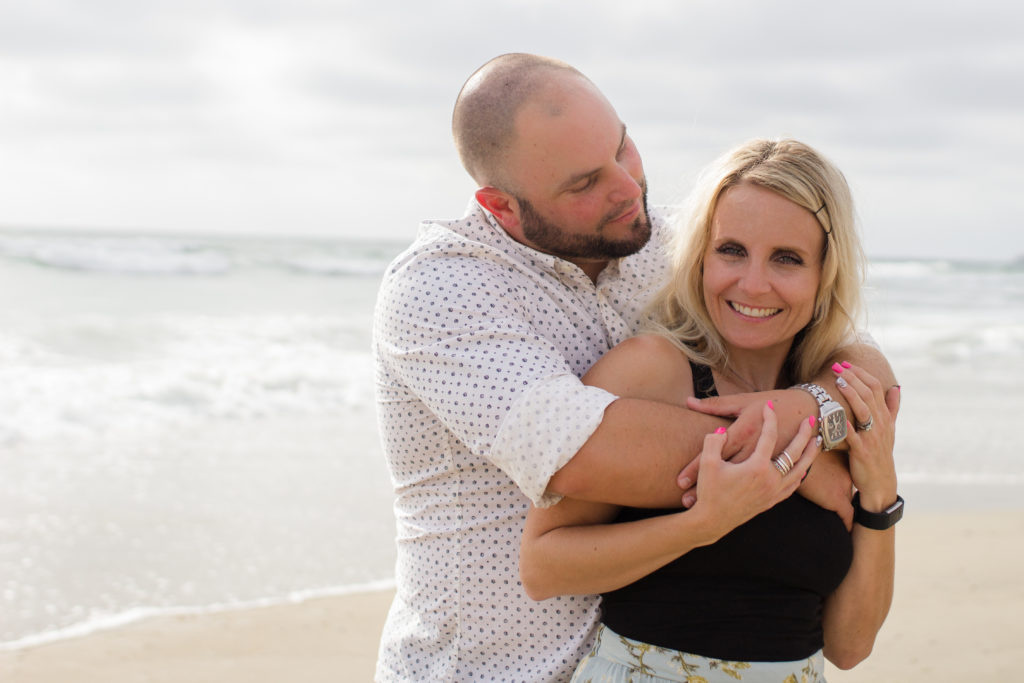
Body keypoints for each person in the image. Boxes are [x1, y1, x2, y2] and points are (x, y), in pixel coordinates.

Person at [373, 53, 895, 682]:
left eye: (623, 148)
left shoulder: (654, 241)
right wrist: (802, 459)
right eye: (584, 183)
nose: (626, 188)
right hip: (484, 670)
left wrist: (809, 405)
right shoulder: (442, 289)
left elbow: (841, 341)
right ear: (503, 207)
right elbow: (587, 451)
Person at [520, 138, 902, 682]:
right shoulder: (649, 371)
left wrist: (880, 498)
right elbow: (543, 568)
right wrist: (703, 524)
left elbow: (850, 645)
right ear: (701, 254)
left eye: (787, 259)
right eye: (732, 250)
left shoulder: (836, 396)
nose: (752, 283)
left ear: (825, 274)